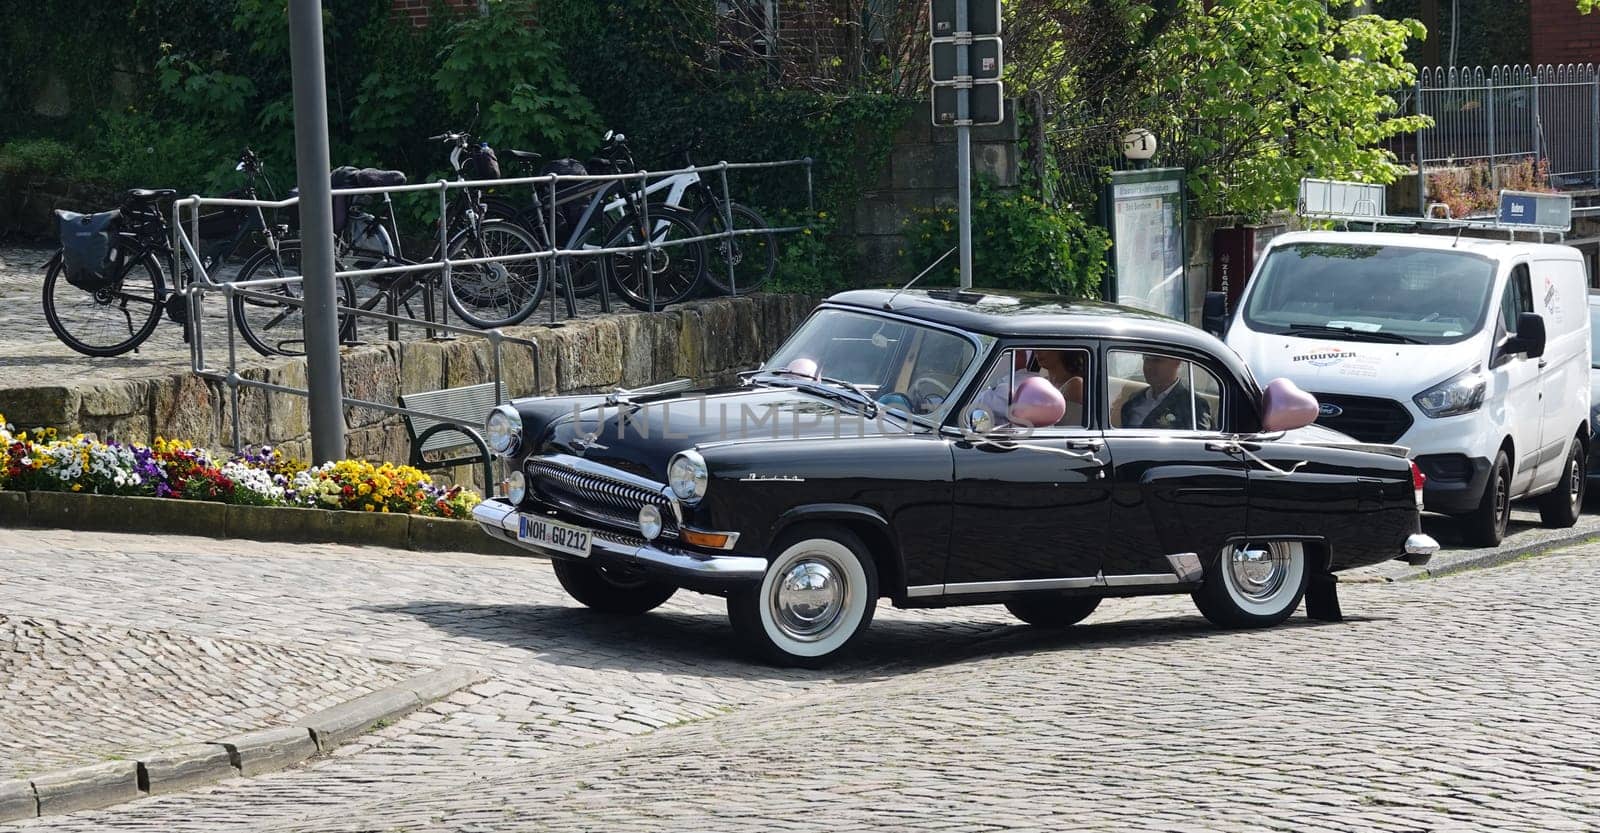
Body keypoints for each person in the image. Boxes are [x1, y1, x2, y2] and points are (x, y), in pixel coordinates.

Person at [1120, 354, 1211, 430]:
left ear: (1177, 362)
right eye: (1146, 359)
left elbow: (1200, 447)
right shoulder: (1135, 399)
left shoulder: (1193, 405)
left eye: (1156, 360)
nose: (1148, 366)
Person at [1033, 350, 1085, 426]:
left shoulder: (1075, 384)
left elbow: (1073, 430)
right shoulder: (1042, 382)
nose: (1037, 351)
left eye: (1046, 346)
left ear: (1061, 350)